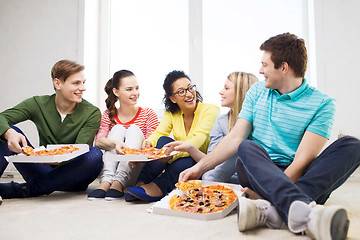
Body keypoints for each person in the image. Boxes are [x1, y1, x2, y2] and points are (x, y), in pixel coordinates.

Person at [179, 33, 360, 240]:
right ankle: (301, 209)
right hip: (257, 170)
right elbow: (235, 138)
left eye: (265, 65)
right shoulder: (256, 91)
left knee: (352, 145)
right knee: (247, 147)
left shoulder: (323, 104)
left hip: (297, 173)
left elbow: (302, 160)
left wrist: (278, 192)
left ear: (283, 67)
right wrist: (198, 168)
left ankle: (274, 210)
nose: (260, 70)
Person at [0, 59, 103, 199]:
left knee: (95, 154)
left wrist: (59, 159)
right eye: (76, 83)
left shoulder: (92, 112)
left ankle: (25, 189)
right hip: (42, 169)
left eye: (83, 82)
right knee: (7, 131)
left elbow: (80, 150)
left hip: (74, 175)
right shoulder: (37, 104)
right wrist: (9, 133)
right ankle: (40, 186)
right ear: (57, 83)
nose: (83, 88)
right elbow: (2, 118)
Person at [125, 70, 220, 202]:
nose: (189, 94)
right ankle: (142, 183)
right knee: (163, 140)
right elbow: (159, 133)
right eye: (181, 91)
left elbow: (198, 140)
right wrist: (149, 143)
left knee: (186, 160)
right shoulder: (171, 113)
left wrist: (170, 155)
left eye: (190, 88)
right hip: (179, 157)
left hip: (200, 161)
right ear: (172, 98)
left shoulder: (211, 110)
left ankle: (158, 187)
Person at [166, 72, 258, 184]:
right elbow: (211, 161)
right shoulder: (221, 122)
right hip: (225, 180)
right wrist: (190, 148)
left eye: (226, 88)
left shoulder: (259, 122)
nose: (221, 92)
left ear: (241, 92)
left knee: (240, 147)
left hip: (251, 178)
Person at [87, 70, 159, 200]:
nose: (135, 93)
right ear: (116, 92)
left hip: (134, 168)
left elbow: (152, 146)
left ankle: (119, 182)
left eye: (137, 88)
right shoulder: (108, 115)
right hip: (111, 168)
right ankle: (106, 181)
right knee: (118, 128)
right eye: (129, 89)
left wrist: (137, 150)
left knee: (134, 129)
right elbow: (98, 142)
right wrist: (116, 144)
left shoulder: (148, 114)